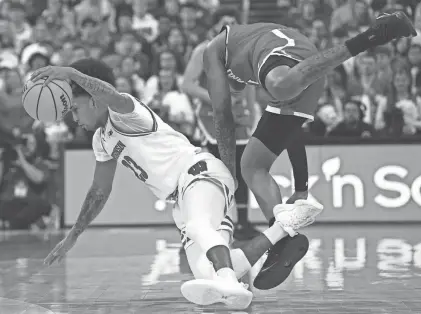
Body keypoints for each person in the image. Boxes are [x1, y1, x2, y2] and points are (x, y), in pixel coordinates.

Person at [34, 59, 322, 309]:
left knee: (200, 229)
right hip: (180, 200)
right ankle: (284, 227)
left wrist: (70, 73)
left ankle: (227, 280)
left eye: (74, 108)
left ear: (93, 99)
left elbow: (110, 93)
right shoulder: (101, 140)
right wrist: (73, 235)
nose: (74, 118)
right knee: (203, 273)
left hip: (199, 174)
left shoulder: (128, 112)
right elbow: (99, 190)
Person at [201, 11, 416, 291]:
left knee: (279, 89)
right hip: (308, 70)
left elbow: (222, 115)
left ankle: (376, 34)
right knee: (253, 165)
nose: (237, 87)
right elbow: (293, 134)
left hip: (289, 60)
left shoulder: (215, 50)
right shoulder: (255, 55)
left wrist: (228, 175)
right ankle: (282, 240)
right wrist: (301, 187)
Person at [182, 7, 310, 241]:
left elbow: (249, 84)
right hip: (211, 116)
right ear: (216, 27)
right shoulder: (204, 50)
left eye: (234, 21)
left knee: (243, 170)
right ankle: (215, 221)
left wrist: (251, 113)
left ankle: (242, 221)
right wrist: (218, 98)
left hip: (239, 117)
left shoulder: (244, 49)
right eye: (226, 21)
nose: (232, 26)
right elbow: (188, 85)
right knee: (220, 170)